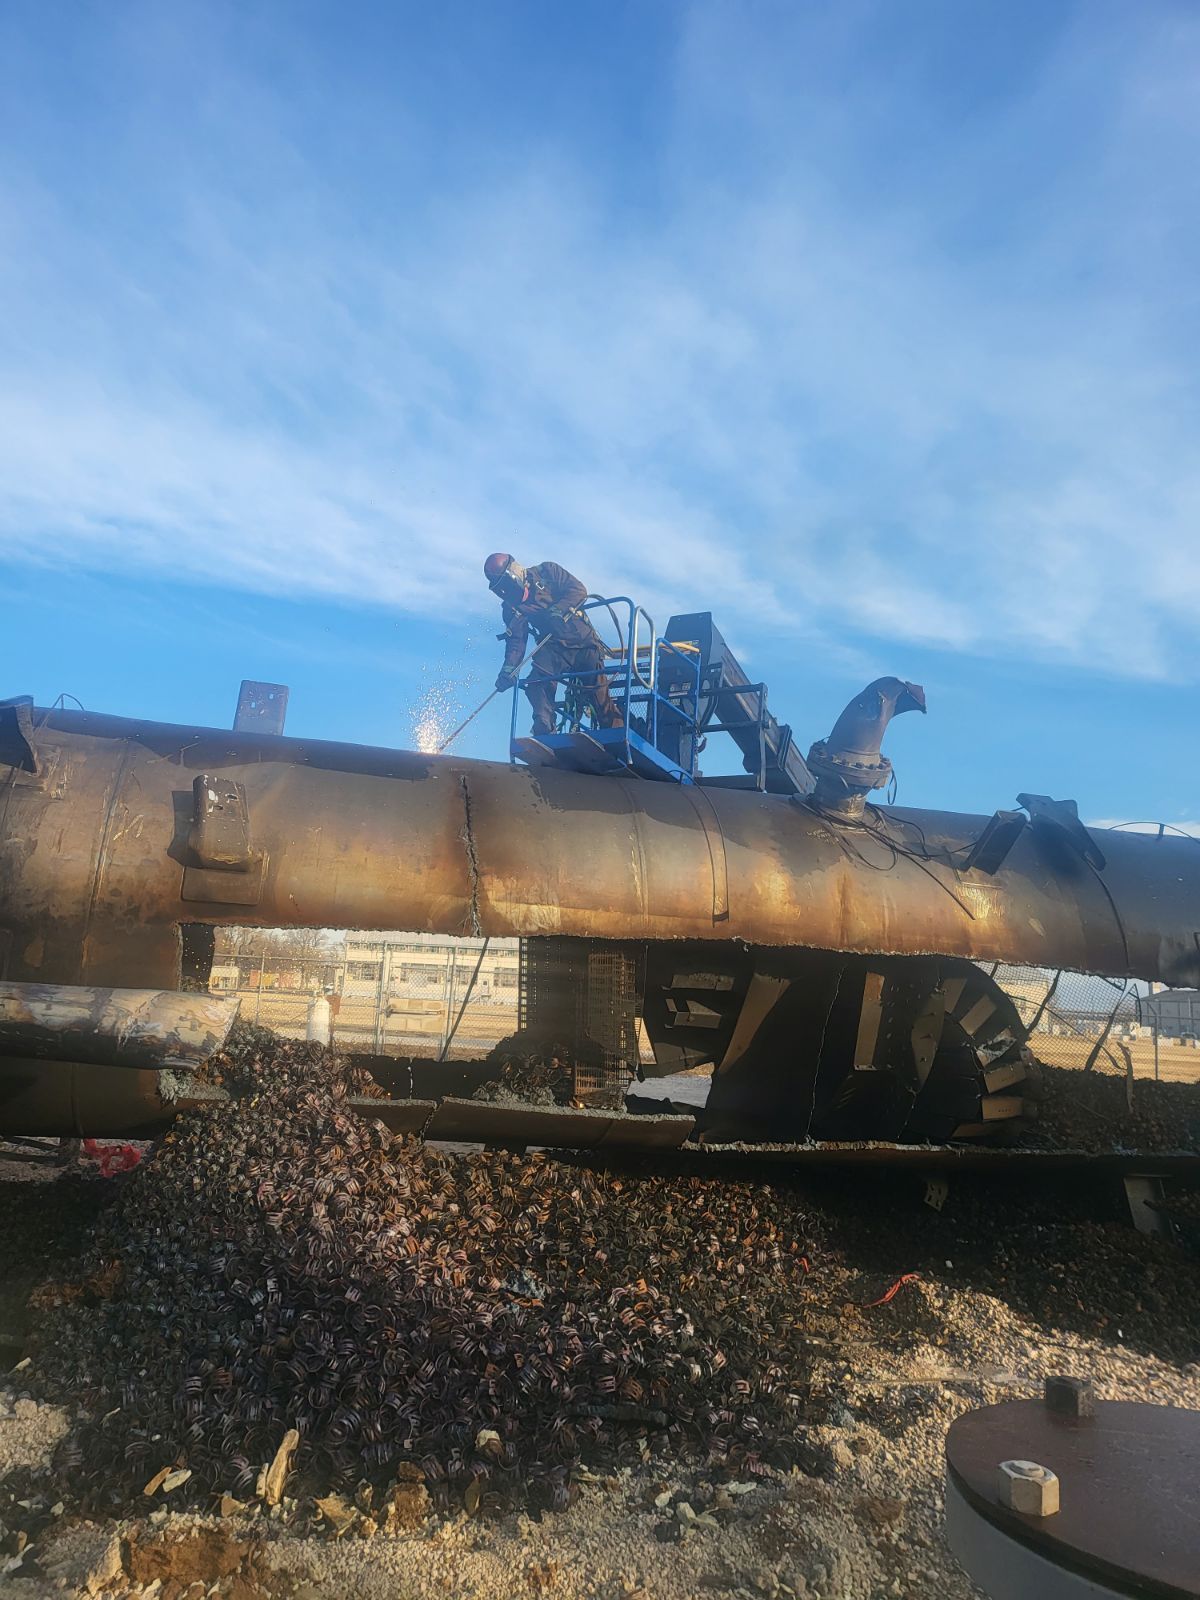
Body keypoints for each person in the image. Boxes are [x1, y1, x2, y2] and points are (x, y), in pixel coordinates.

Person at [484, 554, 623, 736]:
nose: (505, 592)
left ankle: (617, 733)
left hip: (582, 640)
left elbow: (578, 590)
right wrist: (508, 670)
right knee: (536, 684)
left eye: (505, 586)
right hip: (553, 647)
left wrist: (558, 610)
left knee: (597, 693)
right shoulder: (511, 608)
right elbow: (516, 641)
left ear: (514, 575)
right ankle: (544, 728)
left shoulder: (548, 572)